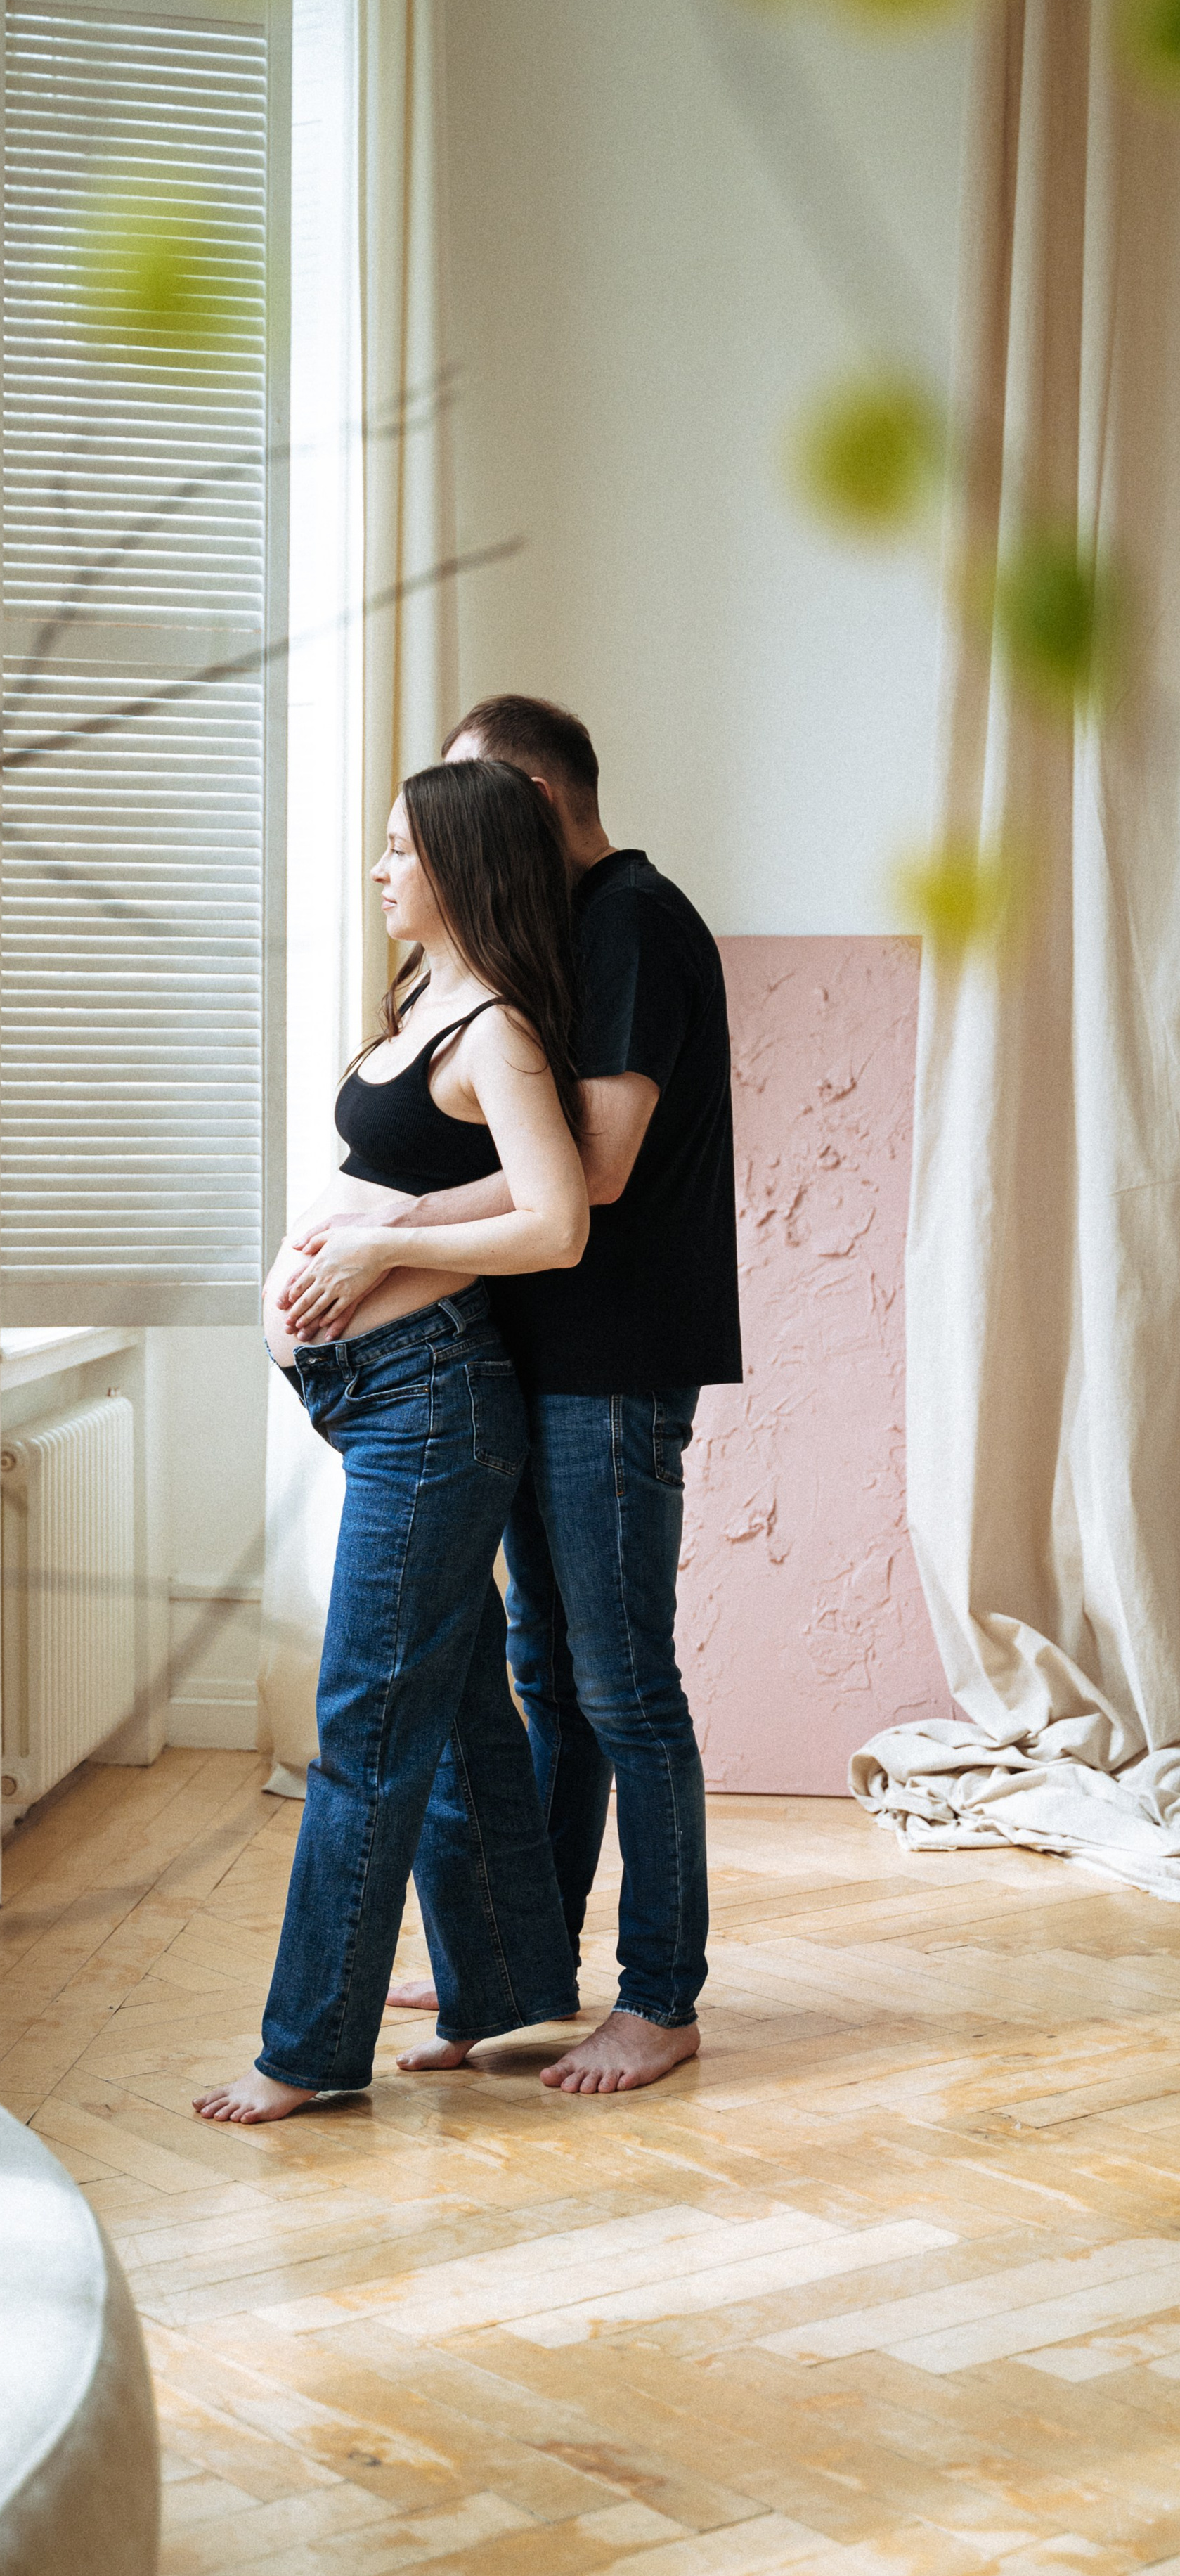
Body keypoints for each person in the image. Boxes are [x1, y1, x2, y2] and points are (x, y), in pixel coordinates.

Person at [283, 695, 739, 2095]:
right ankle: (522, 1963)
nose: (442, 840)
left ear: (532, 805)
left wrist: (381, 1229)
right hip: (541, 1358)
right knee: (543, 1670)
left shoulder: (627, 922)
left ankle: (658, 1997)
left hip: (610, 1363)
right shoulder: (548, 936)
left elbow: (582, 1179)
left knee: (618, 1686)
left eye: (470, 807)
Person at [194, 759, 590, 2125]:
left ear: (456, 868)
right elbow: (448, 1178)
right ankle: (505, 1992)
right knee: (460, 1704)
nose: (377, 871)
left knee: (363, 1724)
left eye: (394, 851)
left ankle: (305, 2051)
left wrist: (379, 1243)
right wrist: (360, 1245)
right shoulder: (423, 1003)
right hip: (378, 1398)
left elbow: (555, 1221)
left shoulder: (493, 1033)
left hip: (431, 1406)